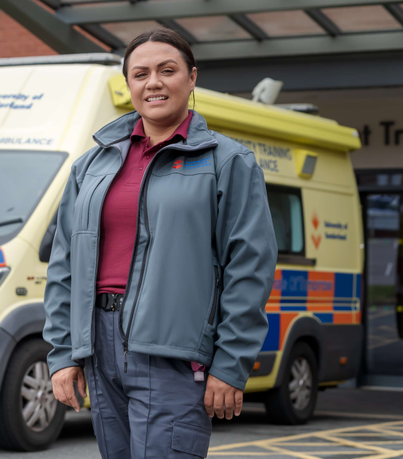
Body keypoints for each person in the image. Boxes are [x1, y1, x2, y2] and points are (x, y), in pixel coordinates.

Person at [43, 28, 278, 458]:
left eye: (167, 70)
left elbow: (249, 268)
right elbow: (64, 265)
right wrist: (63, 354)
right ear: (128, 85)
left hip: (175, 352)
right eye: (141, 73)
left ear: (191, 79)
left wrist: (230, 364)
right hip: (99, 346)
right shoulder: (90, 166)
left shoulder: (228, 161)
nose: (153, 82)